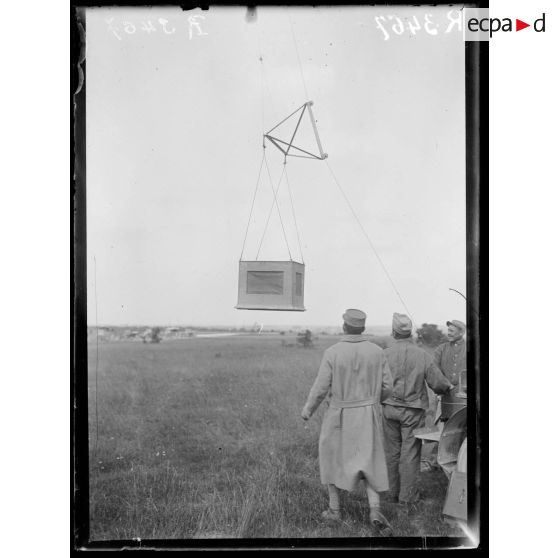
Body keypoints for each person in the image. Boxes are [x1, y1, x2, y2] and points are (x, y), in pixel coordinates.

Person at [300, 309, 393, 530]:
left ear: (344, 326)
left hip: (339, 415)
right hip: (369, 415)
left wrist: (307, 410)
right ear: (362, 327)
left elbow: (321, 387)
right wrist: (373, 401)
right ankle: (375, 509)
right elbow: (388, 387)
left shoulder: (333, 352)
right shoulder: (377, 351)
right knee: (370, 460)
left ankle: (334, 509)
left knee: (331, 458)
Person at [382, 313, 455, 507]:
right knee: (411, 453)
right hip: (413, 411)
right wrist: (448, 387)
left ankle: (391, 494)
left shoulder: (385, 354)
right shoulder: (422, 355)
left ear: (393, 331)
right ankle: (407, 498)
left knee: (391, 452)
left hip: (389, 409)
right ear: (410, 332)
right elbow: (438, 384)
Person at [433, 319, 467, 421]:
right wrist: (443, 386)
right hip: (445, 397)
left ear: (461, 332)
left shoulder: (470, 348)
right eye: (448, 330)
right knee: (447, 428)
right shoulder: (441, 349)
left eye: (451, 331)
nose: (448, 333)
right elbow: (435, 370)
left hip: (464, 399)